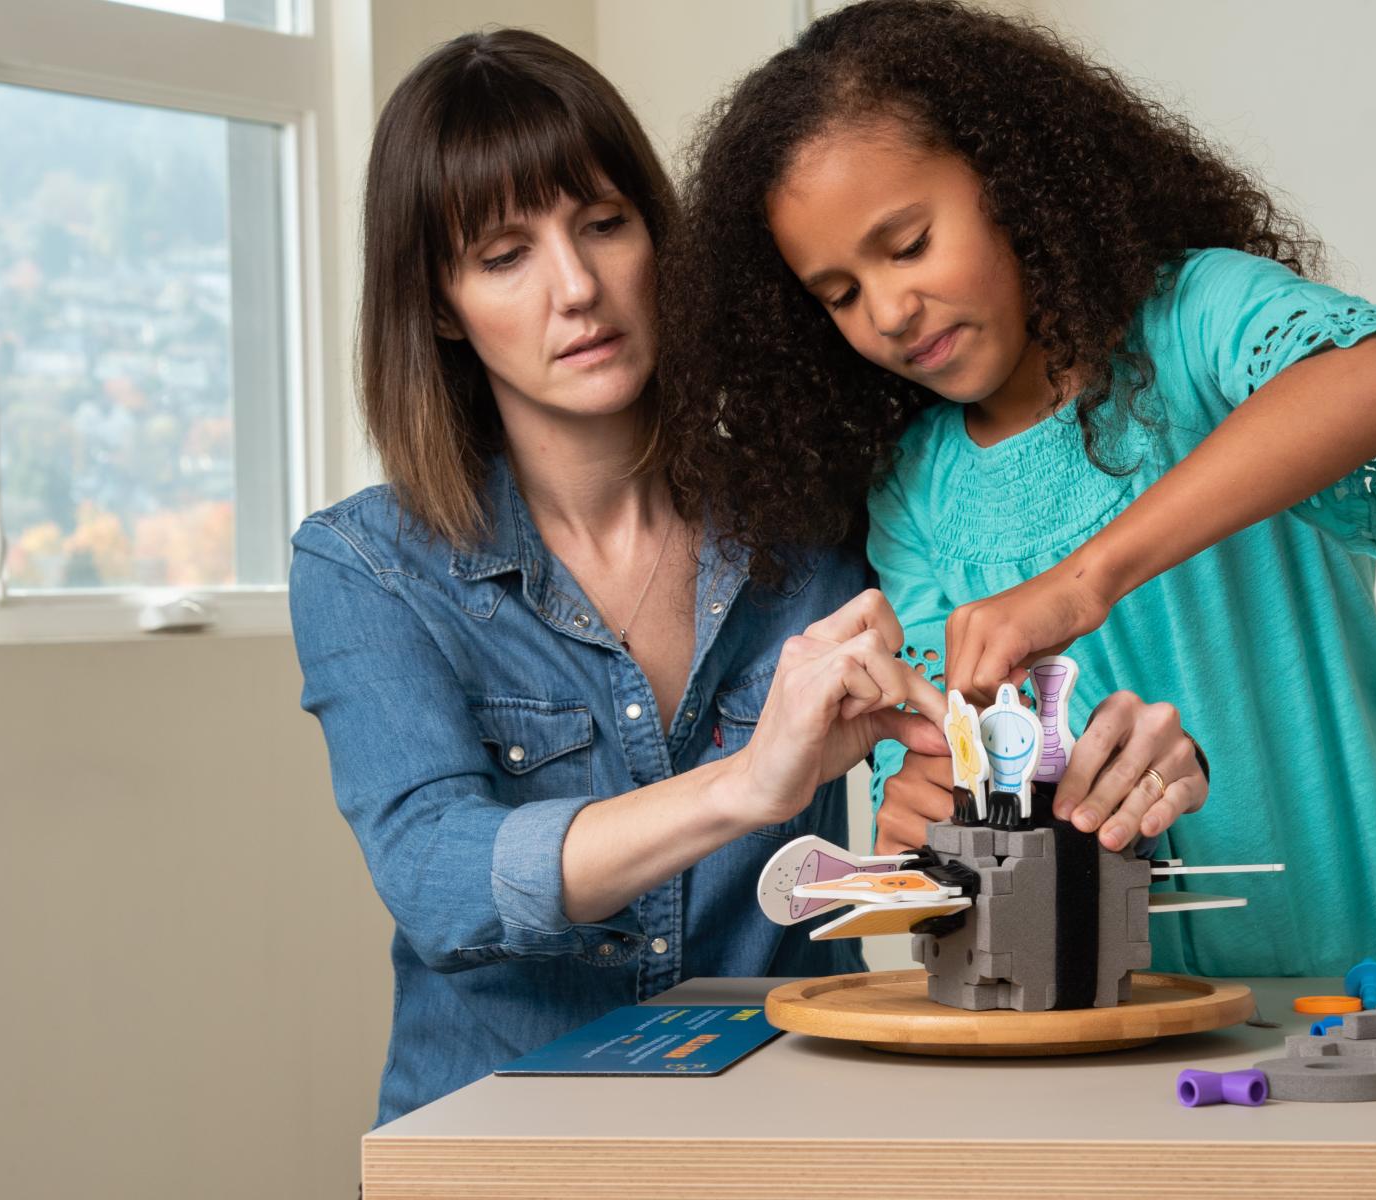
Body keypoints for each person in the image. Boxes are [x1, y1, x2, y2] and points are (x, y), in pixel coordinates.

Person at [659, 0, 1376, 978]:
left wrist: (1085, 580)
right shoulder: (915, 494)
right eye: (838, 293)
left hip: (1372, 941)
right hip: (1114, 995)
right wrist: (920, 800)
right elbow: (933, 759)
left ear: (1013, 181)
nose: (888, 308)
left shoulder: (1194, 323)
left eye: (909, 243)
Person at [288, 28, 945, 1125]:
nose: (578, 287)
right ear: (443, 306)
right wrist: (749, 783)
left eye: (604, 225)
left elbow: (974, 752)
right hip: (499, 1148)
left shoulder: (820, 517)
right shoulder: (369, 565)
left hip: (794, 1135)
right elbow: (436, 876)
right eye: (505, 257)